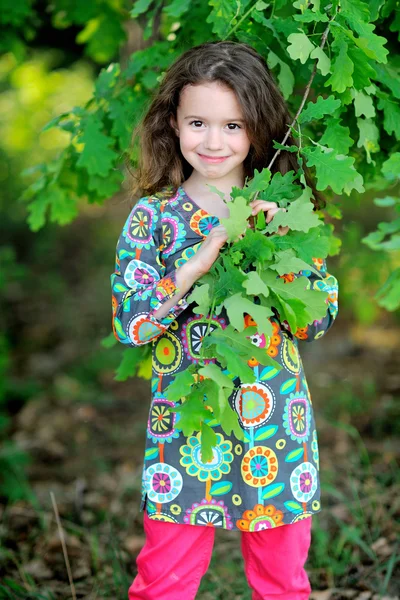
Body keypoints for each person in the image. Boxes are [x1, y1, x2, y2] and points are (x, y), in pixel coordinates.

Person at [110, 40, 339, 600]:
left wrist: (279, 249)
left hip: (275, 424)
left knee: (282, 582)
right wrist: (196, 261)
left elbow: (317, 321)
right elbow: (132, 325)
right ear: (173, 122)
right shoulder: (154, 218)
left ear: (258, 129)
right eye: (198, 122)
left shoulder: (282, 210)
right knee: (163, 579)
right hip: (187, 429)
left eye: (233, 126)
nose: (214, 142)